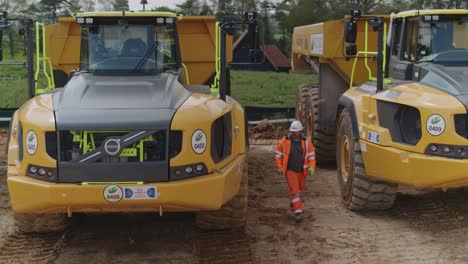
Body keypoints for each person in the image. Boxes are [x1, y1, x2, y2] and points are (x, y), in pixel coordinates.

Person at [275, 120, 316, 223]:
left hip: (302, 171)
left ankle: (293, 204)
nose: (295, 133)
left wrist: (312, 167)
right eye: (293, 131)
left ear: (301, 131)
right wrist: (279, 166)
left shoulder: (306, 142)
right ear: (291, 131)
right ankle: (298, 212)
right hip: (290, 171)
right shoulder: (284, 141)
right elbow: (278, 154)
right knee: (294, 191)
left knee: (299, 189)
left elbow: (311, 155)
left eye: (297, 131)